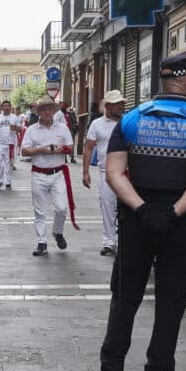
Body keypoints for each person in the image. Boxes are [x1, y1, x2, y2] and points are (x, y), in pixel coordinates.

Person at [84, 53, 186, 371]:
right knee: (170, 301)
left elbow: (114, 174)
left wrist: (143, 209)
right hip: (180, 223)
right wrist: (172, 212)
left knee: (125, 298)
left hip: (136, 221)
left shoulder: (130, 119)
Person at [21, 98, 77, 256]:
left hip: (58, 173)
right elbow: (24, 151)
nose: (47, 112)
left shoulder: (62, 127)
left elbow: (70, 147)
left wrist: (62, 148)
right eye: (43, 109)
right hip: (38, 173)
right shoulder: (32, 129)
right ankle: (42, 242)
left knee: (61, 208)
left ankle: (57, 232)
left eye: (49, 109)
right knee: (40, 211)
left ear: (54, 111)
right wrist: (40, 150)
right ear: (38, 112)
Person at [83, 90, 125, 256]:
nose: (121, 107)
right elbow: (88, 148)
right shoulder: (97, 124)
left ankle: (124, 240)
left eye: (122, 103)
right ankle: (109, 241)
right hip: (105, 172)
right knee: (107, 206)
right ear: (108, 106)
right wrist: (85, 172)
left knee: (127, 208)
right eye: (117, 104)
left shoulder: (127, 122)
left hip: (126, 173)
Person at [0, 100, 20, 190]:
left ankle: (7, 182)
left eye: (8, 106)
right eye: (5, 106)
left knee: (8, 163)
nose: (6, 107)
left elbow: (20, 129)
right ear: (2, 107)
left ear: (10, 107)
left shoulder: (15, 118)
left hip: (10, 143)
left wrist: (15, 127)